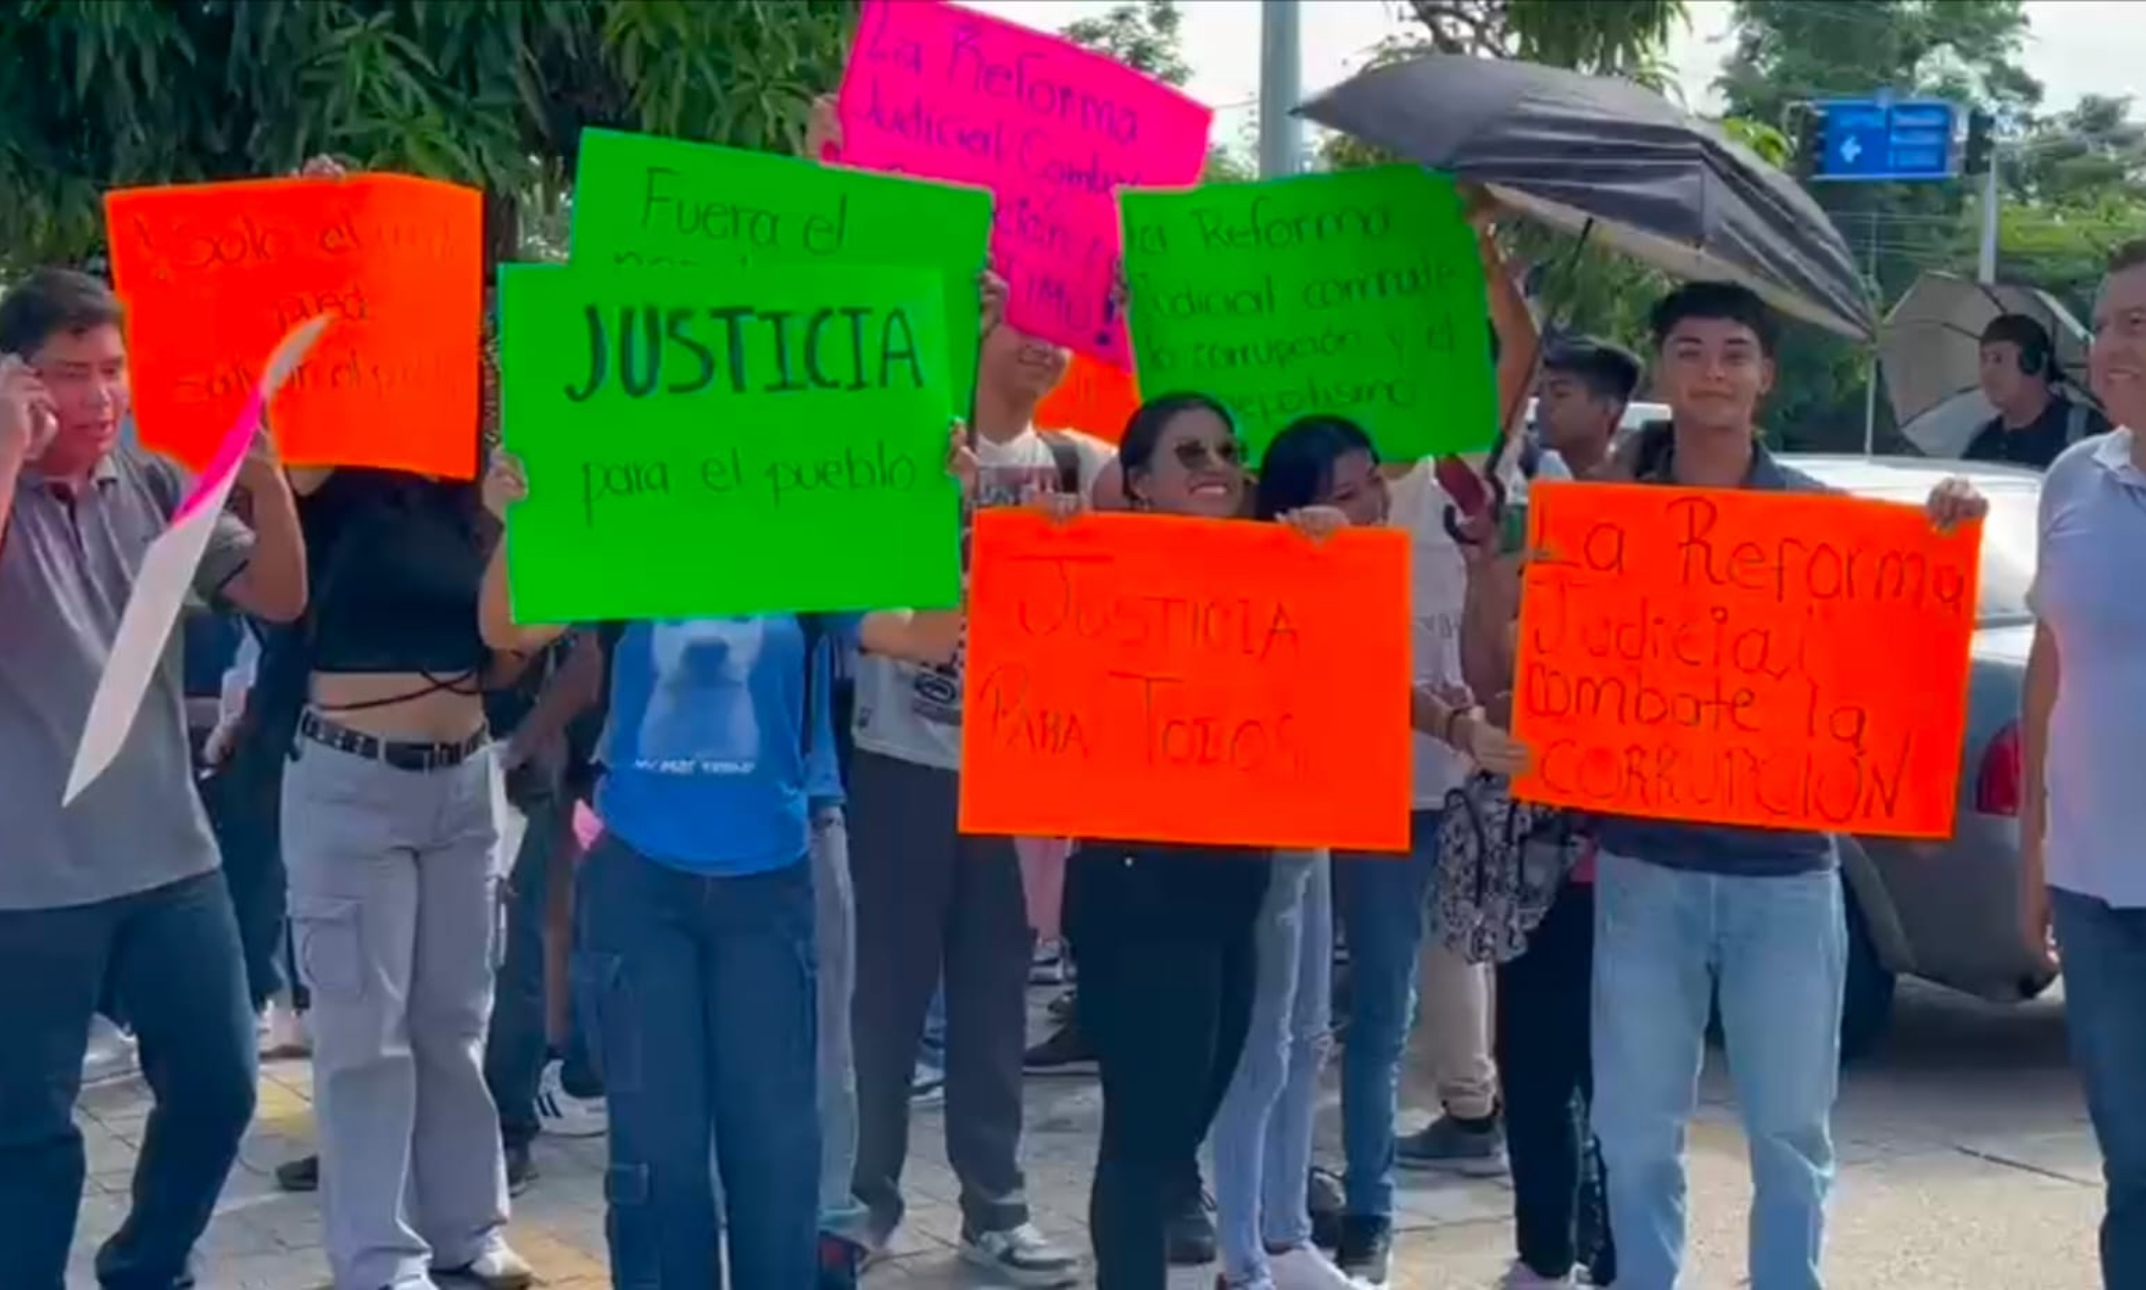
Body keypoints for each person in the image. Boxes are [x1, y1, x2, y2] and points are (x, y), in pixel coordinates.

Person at [477, 436, 972, 1290]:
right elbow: (508, 626)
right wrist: (512, 520)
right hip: (641, 880)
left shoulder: (804, 547)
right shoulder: (624, 535)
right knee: (658, 1146)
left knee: (776, 1144)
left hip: (769, 882)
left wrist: (940, 511)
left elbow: (929, 634)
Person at [1587, 281, 1985, 1290]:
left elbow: (1893, 669)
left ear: (1764, 376)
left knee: (1790, 1138)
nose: (1711, 370)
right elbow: (1535, 661)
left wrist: (1942, 540)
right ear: (1663, 370)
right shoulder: (1605, 525)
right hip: (1642, 867)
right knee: (1633, 1134)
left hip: (1785, 875)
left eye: (1733, 352)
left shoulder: (1826, 529)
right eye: (1689, 349)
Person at [0, 265, 307, 1289]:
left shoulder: (155, 481)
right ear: (17, 379)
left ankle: (146, 1266)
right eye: (70, 374)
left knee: (220, 1087)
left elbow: (277, 593)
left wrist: (265, 480)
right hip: (26, 884)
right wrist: (8, 450)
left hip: (168, 855)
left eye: (113, 371)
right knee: (28, 1139)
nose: (100, 397)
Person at [269, 206, 532, 1285]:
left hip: (463, 781)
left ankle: (472, 1229)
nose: (455, 346)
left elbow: (511, 641)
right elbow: (285, 442)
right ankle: (379, 1256)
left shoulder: (482, 486)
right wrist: (329, 243)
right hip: (350, 781)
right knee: (364, 1039)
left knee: (449, 1023)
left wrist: (515, 514)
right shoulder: (332, 471)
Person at [1067, 393, 1276, 1290]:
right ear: (1139, 483)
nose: (1214, 465)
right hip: (1136, 887)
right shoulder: (1092, 566)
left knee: (1179, 1121)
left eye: (1227, 449)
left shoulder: (1275, 570)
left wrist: (1320, 547)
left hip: (1234, 884)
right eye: (1188, 452)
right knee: (1144, 1136)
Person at [2020, 239, 2146, 1290]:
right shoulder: (2071, 476)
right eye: (2103, 324)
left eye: (2138, 324)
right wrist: (2032, 863)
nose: (2112, 346)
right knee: (2133, 1165)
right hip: (2095, 889)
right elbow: (2046, 669)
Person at [482, 630, 608, 1194]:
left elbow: (586, 662)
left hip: (514, 771)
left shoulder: (525, 545)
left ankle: (509, 1128)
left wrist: (519, 746)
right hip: (441, 760)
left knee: (514, 951)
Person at [1963, 313, 2109, 469]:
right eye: (1983, 360)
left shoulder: (2082, 430)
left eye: (1998, 359)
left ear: (2033, 362)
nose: (1988, 371)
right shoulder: (1982, 439)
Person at [1530, 339, 1643, 480]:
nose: (1543, 405)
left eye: (1560, 394)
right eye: (1540, 393)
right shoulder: (1521, 474)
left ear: (1609, 407)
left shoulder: (1634, 485)